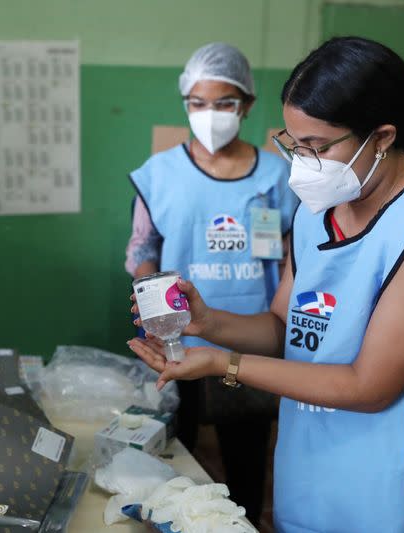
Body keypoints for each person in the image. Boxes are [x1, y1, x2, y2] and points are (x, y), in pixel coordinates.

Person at [128, 36, 404, 532]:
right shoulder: (316, 211)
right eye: (293, 142)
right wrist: (208, 322)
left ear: (383, 136)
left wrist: (224, 364)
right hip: (316, 448)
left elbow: (368, 387)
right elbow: (287, 326)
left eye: (317, 147)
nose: (302, 162)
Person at [125, 42, 297, 524]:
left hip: (250, 338)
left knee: (244, 464)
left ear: (246, 104)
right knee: (169, 460)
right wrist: (148, 295)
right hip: (174, 338)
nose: (210, 115)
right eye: (197, 103)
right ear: (185, 104)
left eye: (223, 103)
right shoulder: (160, 175)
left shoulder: (279, 176)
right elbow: (142, 250)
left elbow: (294, 258)